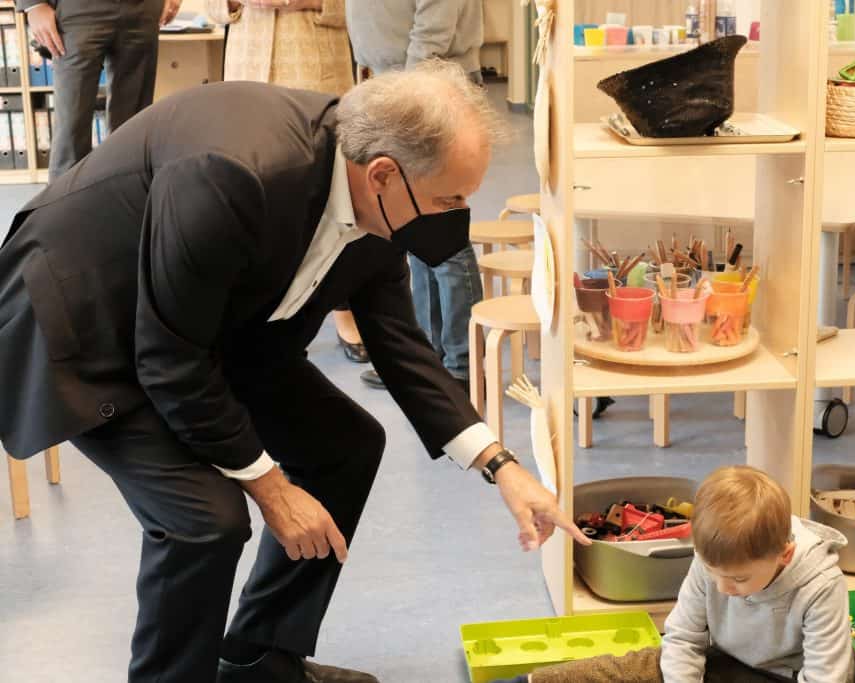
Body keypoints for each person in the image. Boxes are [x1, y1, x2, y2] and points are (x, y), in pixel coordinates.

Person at [0, 62, 589, 683]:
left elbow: (399, 342)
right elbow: (170, 361)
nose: (457, 217)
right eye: (451, 200)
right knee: (205, 520)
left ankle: (258, 656)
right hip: (87, 327)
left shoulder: (383, 198)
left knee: (348, 447)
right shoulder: (237, 172)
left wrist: (502, 466)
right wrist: (271, 487)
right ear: (384, 174)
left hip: (211, 327)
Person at [495, 466, 853, 683]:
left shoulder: (820, 585)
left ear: (784, 556)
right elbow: (682, 639)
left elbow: (827, 678)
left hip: (779, 678)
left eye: (740, 580)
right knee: (638, 665)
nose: (724, 589)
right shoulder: (710, 559)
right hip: (718, 663)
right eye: (714, 574)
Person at [205, 0, 370, 366]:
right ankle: (255, 309)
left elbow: (361, 7)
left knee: (329, 192)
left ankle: (343, 308)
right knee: (251, 195)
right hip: (247, 78)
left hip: (316, 73)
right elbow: (210, 8)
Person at [347, 0, 485, 392]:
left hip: (427, 86)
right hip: (397, 82)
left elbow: (434, 22)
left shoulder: (417, 86)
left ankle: (460, 365)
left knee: (442, 228)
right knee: (415, 225)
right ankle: (428, 356)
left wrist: (406, 95)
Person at [21, 0, 180, 179]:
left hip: (142, 10)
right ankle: (65, 205)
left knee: (134, 128)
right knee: (71, 130)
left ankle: (125, 202)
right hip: (77, 10)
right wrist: (33, 4)